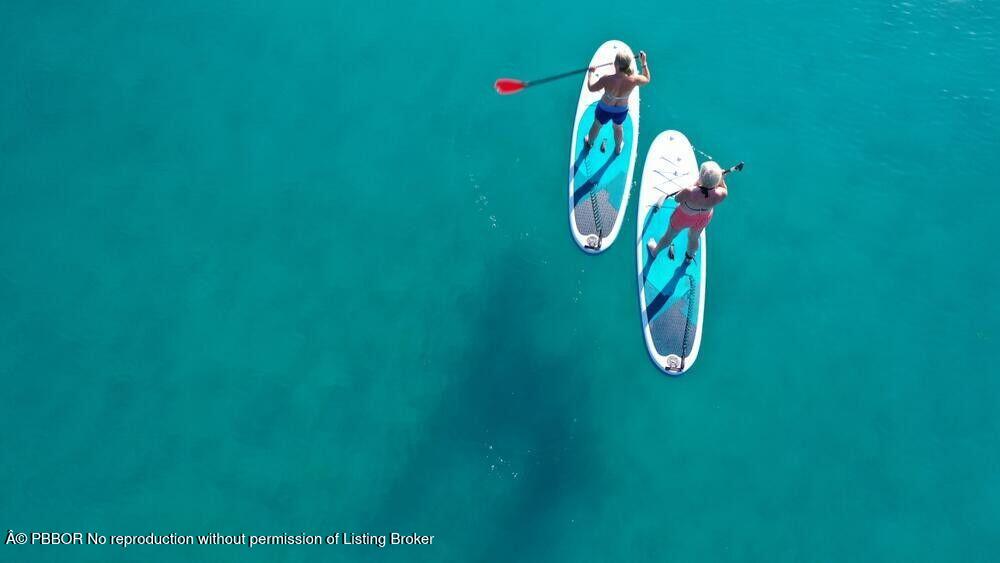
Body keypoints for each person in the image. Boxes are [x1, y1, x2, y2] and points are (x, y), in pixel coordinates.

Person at [647, 161, 728, 263]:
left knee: (669, 236)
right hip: (703, 218)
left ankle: (655, 251)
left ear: (700, 176)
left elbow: (677, 199)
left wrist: (695, 185)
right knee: (694, 238)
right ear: (718, 181)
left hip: (683, 217)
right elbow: (722, 187)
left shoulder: (689, 191)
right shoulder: (722, 193)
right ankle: (689, 257)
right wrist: (721, 178)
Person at [584, 50, 650, 154]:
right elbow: (646, 78)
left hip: (604, 108)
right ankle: (618, 148)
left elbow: (591, 88)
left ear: (615, 64)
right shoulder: (634, 80)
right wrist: (643, 63)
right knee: (618, 127)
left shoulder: (606, 79)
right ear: (627, 66)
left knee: (597, 124)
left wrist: (590, 73)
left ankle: (589, 142)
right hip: (621, 110)